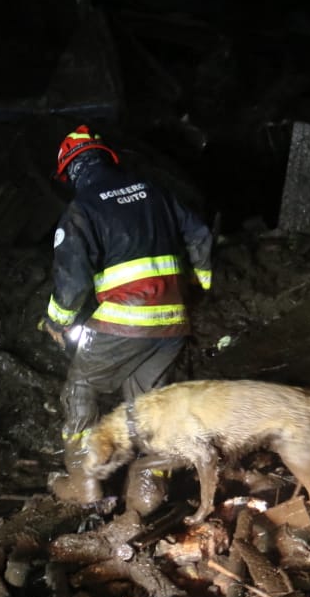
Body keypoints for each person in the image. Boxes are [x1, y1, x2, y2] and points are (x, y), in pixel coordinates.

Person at [40, 125, 213, 513]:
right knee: (149, 403)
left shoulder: (82, 209)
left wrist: (57, 320)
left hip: (125, 319)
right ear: (106, 158)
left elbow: (73, 276)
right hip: (172, 319)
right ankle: (148, 492)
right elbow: (200, 233)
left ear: (72, 171)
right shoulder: (153, 191)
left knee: (81, 387)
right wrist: (197, 286)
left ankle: (85, 483)